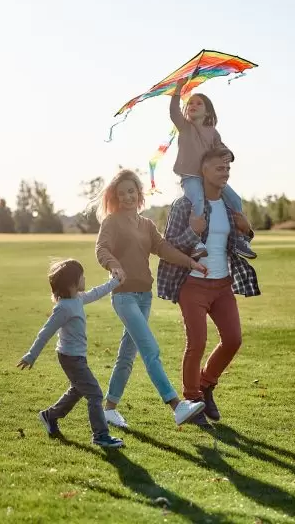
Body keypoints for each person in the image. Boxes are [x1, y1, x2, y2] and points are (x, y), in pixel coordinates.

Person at [95, 169, 207, 429]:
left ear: (139, 193)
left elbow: (164, 249)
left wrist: (190, 262)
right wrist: (113, 266)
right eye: (121, 193)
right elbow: (102, 248)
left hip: (144, 297)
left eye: (131, 191)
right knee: (150, 350)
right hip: (123, 297)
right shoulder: (111, 222)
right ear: (115, 197)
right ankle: (177, 406)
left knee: (127, 354)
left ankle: (109, 409)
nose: (127, 197)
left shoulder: (146, 225)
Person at [157, 147, 261, 427]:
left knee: (233, 339)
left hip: (222, 285)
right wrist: (193, 229)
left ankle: (206, 385)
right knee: (197, 343)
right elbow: (167, 246)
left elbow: (240, 244)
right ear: (203, 170)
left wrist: (247, 230)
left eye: (227, 168)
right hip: (192, 285)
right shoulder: (184, 206)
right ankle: (192, 402)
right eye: (219, 168)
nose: (225, 173)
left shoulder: (229, 208)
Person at [16, 259, 125, 448]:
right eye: (82, 276)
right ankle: (101, 435)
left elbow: (96, 292)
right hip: (70, 358)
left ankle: (50, 415)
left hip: (77, 357)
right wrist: (31, 355)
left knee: (78, 390)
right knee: (95, 394)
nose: (85, 278)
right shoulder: (63, 308)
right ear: (72, 283)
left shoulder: (78, 299)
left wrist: (115, 283)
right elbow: (46, 332)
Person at [170, 78, 256, 260]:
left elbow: (221, 147)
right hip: (191, 177)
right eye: (190, 103)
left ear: (207, 111)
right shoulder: (184, 127)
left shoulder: (212, 131)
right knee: (198, 202)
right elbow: (173, 112)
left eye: (198, 103)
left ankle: (241, 238)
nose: (193, 105)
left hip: (209, 178)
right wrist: (178, 89)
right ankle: (196, 242)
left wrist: (228, 154)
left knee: (235, 199)